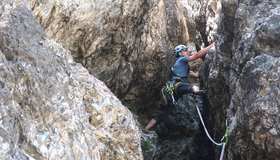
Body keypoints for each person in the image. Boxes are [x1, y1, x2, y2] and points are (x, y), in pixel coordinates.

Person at [144, 43, 215, 131]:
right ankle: (198, 90)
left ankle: (146, 129)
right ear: (180, 53)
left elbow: (196, 75)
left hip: (174, 92)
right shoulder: (181, 60)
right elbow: (197, 55)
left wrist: (206, 64)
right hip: (178, 86)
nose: (187, 51)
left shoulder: (180, 66)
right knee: (196, 88)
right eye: (185, 50)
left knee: (163, 114)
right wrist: (212, 45)